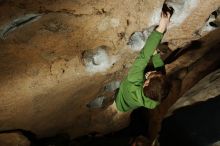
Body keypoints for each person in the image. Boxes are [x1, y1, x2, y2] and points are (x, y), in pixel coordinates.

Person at [115, 10, 172, 112]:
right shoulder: (154, 100)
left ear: (145, 84)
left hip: (120, 101)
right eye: (158, 73)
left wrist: (161, 28)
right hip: (130, 106)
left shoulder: (134, 80)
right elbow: (161, 73)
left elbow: (144, 56)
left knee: (118, 95)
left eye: (153, 74)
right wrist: (156, 56)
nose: (155, 71)